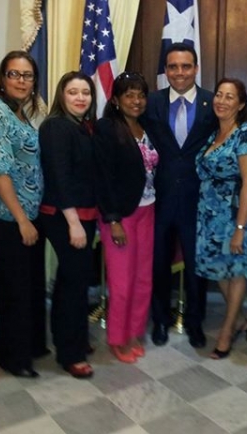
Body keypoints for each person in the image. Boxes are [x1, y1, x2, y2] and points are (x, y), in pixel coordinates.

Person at [0, 50, 47, 378]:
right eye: (14, 74)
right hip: (6, 218)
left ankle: (31, 346)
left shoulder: (19, 112)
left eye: (27, 75)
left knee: (30, 285)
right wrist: (21, 219)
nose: (21, 80)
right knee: (15, 290)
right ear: (2, 79)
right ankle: (13, 358)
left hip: (28, 216)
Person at [142, 43, 217, 348]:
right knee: (158, 263)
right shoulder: (151, 103)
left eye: (186, 66)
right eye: (173, 67)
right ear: (166, 70)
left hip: (197, 200)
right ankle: (159, 320)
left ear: (196, 69)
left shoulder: (213, 103)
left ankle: (196, 323)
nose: (179, 72)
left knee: (197, 266)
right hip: (158, 200)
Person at [196, 78, 247, 359]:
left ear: (241, 104)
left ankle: (227, 331)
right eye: (219, 95)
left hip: (236, 217)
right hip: (210, 218)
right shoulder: (214, 134)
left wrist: (239, 228)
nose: (222, 101)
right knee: (218, 269)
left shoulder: (246, 136)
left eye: (229, 97)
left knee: (236, 272)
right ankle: (238, 320)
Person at [94, 72, 158, 363]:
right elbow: (103, 177)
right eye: (129, 95)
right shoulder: (107, 128)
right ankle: (117, 338)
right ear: (117, 100)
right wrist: (113, 219)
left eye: (141, 95)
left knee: (143, 279)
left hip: (148, 209)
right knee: (121, 282)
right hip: (120, 215)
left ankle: (134, 331)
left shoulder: (147, 127)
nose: (136, 100)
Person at [38, 72, 97, 379]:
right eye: (73, 92)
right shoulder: (56, 127)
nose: (80, 97)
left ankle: (74, 338)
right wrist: (73, 223)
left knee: (73, 280)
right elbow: (59, 177)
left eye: (85, 92)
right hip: (64, 216)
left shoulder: (84, 126)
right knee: (73, 285)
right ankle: (69, 354)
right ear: (62, 96)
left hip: (84, 215)